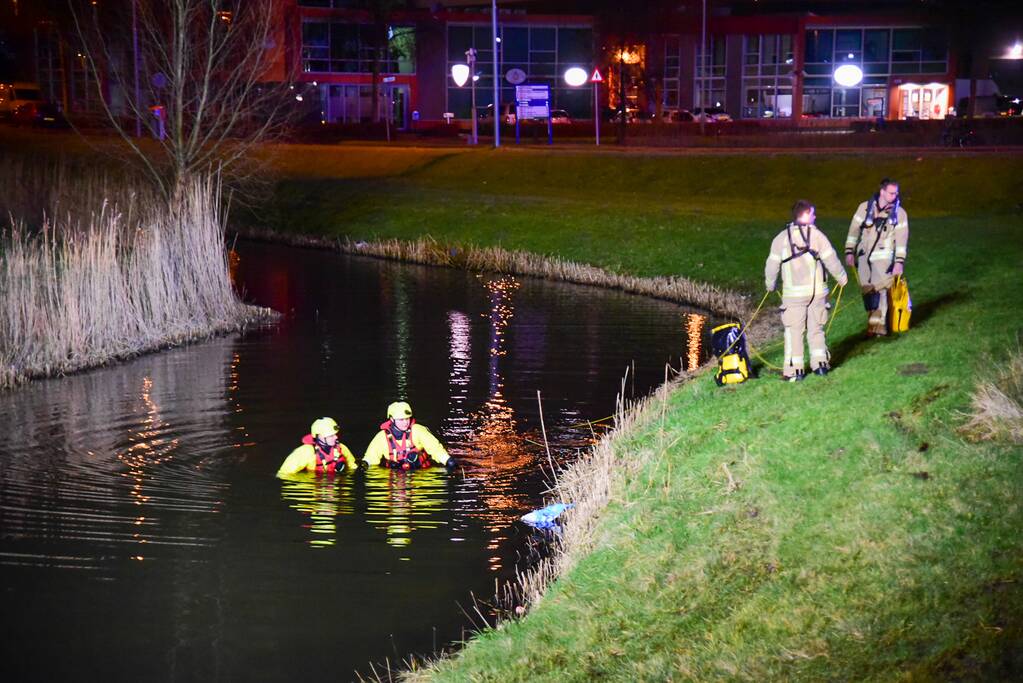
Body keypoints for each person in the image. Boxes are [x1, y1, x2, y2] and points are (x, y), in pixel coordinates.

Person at [765, 200, 848, 381]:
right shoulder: (817, 236)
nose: (815, 217)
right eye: (812, 214)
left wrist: (770, 284)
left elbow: (771, 265)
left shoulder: (781, 238)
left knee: (794, 332)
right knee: (816, 330)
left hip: (793, 296)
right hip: (817, 293)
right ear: (804, 215)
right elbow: (831, 259)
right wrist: (842, 277)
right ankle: (820, 366)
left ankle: (795, 371)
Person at [845, 178, 909, 337]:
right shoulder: (864, 208)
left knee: (880, 291)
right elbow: (853, 231)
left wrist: (899, 262)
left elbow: (901, 241)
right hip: (863, 257)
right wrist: (849, 251)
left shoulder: (899, 214)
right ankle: (873, 326)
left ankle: (880, 328)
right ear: (882, 191)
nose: (894, 196)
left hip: (884, 259)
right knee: (868, 292)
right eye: (891, 192)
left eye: (896, 193)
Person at [362, 401, 456, 470]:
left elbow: (435, 449)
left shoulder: (418, 430)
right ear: (391, 419)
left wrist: (448, 460)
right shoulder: (382, 437)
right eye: (401, 420)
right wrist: (365, 463)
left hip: (421, 475)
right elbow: (371, 457)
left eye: (407, 419)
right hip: (394, 477)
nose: (405, 422)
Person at [276, 417, 357, 477]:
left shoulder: (341, 448)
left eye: (335, 434)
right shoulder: (306, 451)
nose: (336, 437)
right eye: (330, 435)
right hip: (314, 489)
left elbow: (354, 466)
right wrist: (313, 482)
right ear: (318, 437)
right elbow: (283, 474)